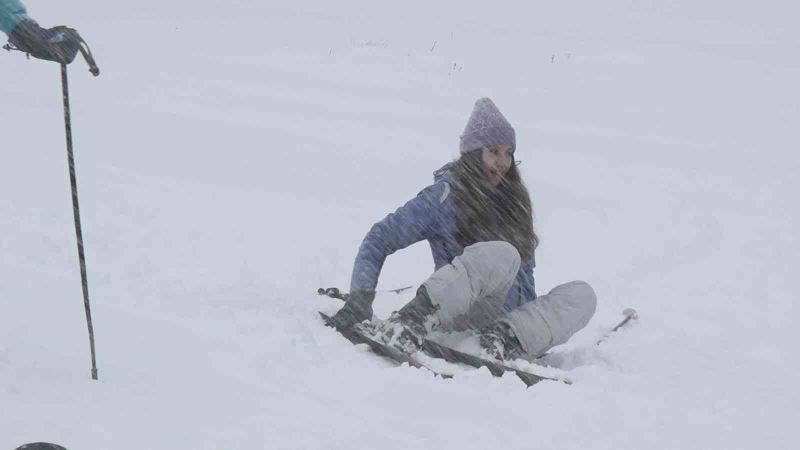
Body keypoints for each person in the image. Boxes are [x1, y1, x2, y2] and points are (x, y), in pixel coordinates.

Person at [330, 98, 597, 362]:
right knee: (505, 254)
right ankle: (414, 319)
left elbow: (526, 280)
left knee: (583, 295)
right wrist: (360, 296)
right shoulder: (445, 196)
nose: (503, 161)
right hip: (458, 316)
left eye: (508, 152)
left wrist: (535, 327)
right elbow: (380, 237)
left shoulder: (515, 202)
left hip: (506, 328)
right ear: (473, 153)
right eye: (493, 151)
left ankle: (506, 338)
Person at [1, 0, 98, 74]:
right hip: (20, 24)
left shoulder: (48, 50)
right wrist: (92, 64)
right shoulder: (70, 35)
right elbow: (81, 45)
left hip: (16, 31)